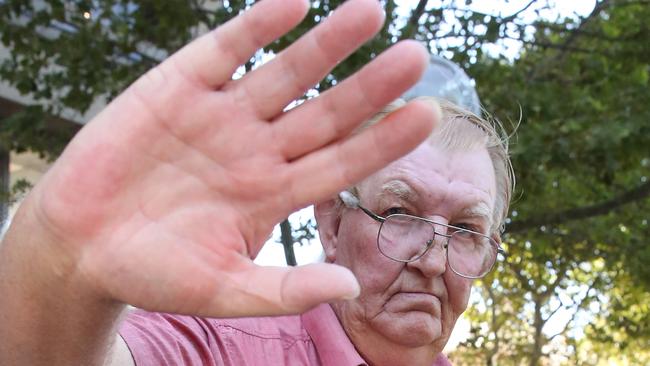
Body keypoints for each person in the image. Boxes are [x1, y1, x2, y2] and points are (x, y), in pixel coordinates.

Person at [0, 0, 513, 365]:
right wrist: (63, 263)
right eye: (400, 214)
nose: (432, 260)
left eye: (466, 230)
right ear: (332, 225)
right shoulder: (221, 348)